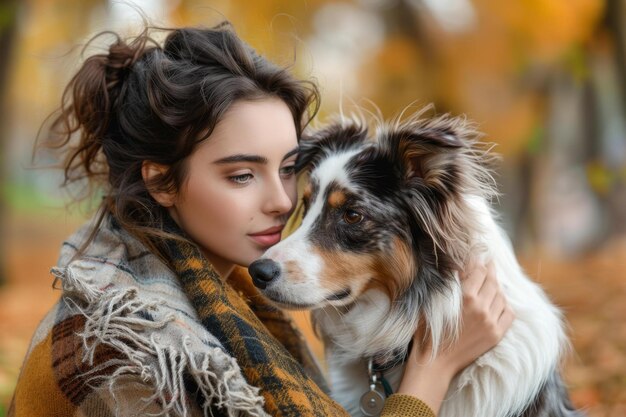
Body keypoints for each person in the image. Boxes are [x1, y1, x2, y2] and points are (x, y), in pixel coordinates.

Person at [8, 22, 514, 417]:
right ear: (162, 182)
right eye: (243, 176)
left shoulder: (237, 304)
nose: (281, 201)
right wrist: (432, 371)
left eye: (290, 169)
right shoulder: (117, 355)